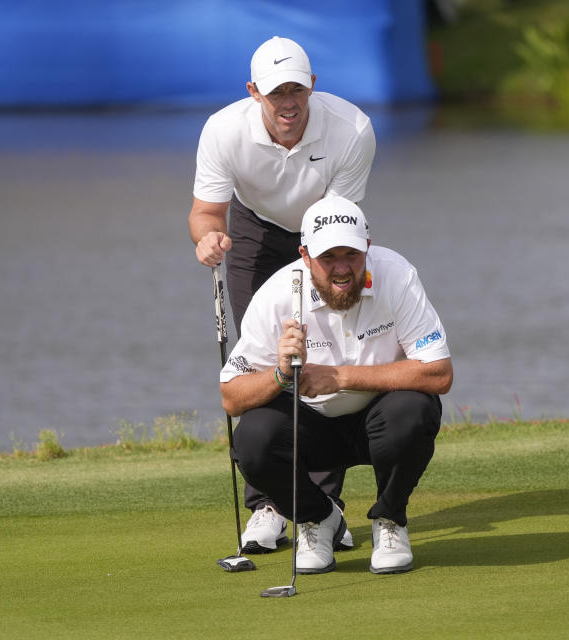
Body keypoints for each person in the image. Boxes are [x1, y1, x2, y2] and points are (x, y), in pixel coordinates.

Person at [190, 36, 376, 555]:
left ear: (313, 85)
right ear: (254, 93)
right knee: (265, 363)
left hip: (326, 235)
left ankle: (322, 504)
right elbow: (206, 212)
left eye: (297, 89)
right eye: (276, 93)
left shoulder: (352, 129)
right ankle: (269, 505)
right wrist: (207, 237)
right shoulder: (224, 131)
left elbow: (337, 226)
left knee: (319, 352)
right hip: (254, 231)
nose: (288, 102)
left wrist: (319, 274)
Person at [220, 196, 453, 574]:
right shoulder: (279, 295)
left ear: (368, 248)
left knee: (414, 409)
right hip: (310, 427)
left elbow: (439, 372)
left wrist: (341, 378)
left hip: (381, 419)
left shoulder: (396, 275)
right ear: (305, 255)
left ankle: (390, 519)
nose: (342, 269)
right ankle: (318, 519)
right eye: (329, 258)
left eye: (352, 255)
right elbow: (231, 397)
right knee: (252, 438)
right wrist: (279, 374)